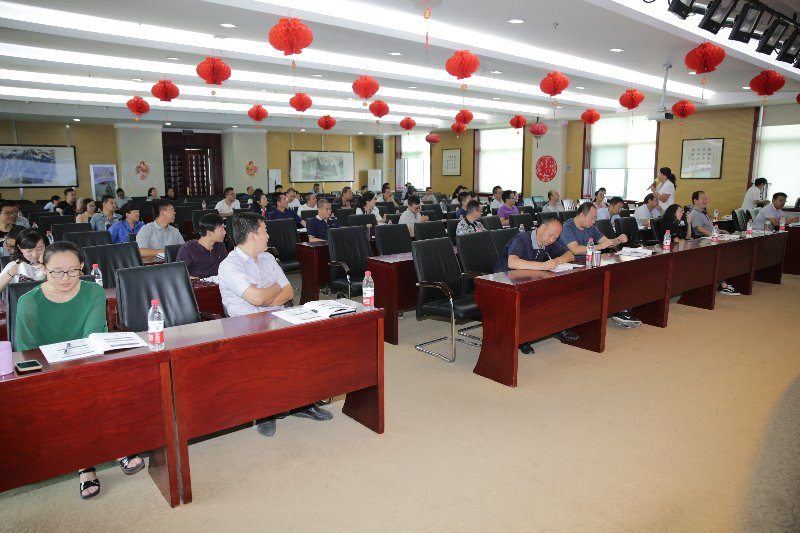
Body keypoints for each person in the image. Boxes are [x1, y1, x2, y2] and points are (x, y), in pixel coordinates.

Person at [15, 241, 145, 498]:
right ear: (43, 269)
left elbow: (93, 336)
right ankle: (85, 463)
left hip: (87, 363)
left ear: (82, 267)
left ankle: (114, 444)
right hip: (50, 372)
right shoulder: (28, 303)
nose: (65, 278)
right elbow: (28, 353)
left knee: (116, 384)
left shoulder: (93, 292)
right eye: (57, 272)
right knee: (72, 397)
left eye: (73, 271)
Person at [217, 213, 331, 435]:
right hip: (246, 327)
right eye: (265, 231)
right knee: (269, 351)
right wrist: (271, 292)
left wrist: (266, 296)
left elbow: (288, 292)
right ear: (252, 236)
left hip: (277, 318)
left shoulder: (268, 258)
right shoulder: (229, 265)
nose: (268, 235)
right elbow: (258, 299)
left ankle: (302, 403)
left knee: (310, 339)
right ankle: (265, 411)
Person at [494, 217, 579, 352]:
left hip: (526, 280)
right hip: (504, 283)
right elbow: (512, 262)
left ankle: (557, 327)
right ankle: (522, 338)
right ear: (542, 228)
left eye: (555, 238)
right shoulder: (521, 239)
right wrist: (543, 265)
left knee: (559, 291)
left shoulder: (548, 242)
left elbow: (570, 255)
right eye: (551, 235)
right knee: (533, 299)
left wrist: (557, 261)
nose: (552, 240)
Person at [560, 203, 641, 328]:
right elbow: (575, 250)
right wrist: (600, 246)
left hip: (590, 263)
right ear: (582, 215)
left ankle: (621, 311)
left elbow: (606, 242)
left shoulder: (590, 227)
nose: (594, 221)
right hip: (572, 266)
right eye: (592, 218)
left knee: (621, 274)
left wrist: (618, 239)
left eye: (595, 218)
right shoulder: (567, 227)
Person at [689, 191, 739, 295]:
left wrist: (721, 231)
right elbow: (700, 229)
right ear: (695, 201)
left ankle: (724, 282)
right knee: (719, 257)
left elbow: (711, 227)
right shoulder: (694, 214)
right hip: (703, 242)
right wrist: (715, 236)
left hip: (711, 240)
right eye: (703, 199)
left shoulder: (703, 213)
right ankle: (723, 285)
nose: (705, 201)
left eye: (706, 199)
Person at [175, 213, 228, 278]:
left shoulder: (220, 245)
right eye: (222, 229)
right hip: (197, 283)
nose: (225, 232)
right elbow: (178, 273)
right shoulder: (188, 248)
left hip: (217, 282)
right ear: (209, 232)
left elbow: (226, 266)